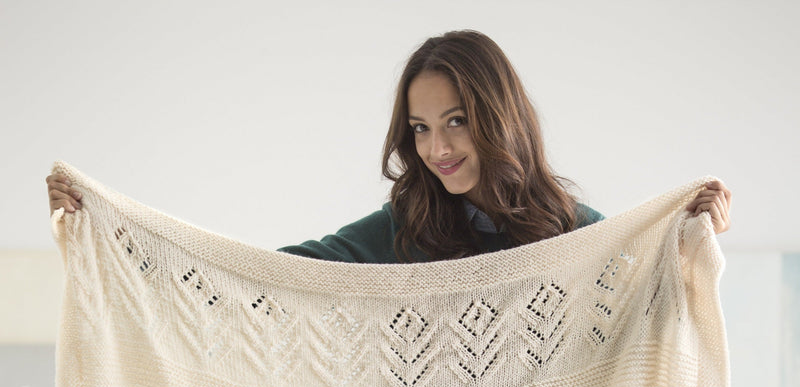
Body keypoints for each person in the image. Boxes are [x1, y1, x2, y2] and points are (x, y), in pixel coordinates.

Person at [46, 30, 731, 260]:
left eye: (456, 121)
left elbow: (650, 295)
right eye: (421, 128)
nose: (437, 148)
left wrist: (691, 234)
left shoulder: (572, 234)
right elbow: (270, 276)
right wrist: (115, 230)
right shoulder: (407, 227)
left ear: (499, 117)